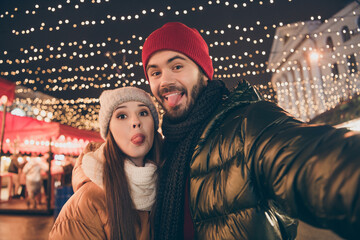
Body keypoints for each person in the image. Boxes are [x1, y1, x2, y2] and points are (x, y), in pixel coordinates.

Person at [141, 22, 360, 240]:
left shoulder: (249, 123)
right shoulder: (162, 153)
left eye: (177, 66)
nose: (165, 81)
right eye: (155, 72)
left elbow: (311, 162)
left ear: (203, 72)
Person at [49, 87, 162, 240]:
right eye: (122, 116)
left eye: (143, 113)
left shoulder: (168, 183)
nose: (136, 122)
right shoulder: (86, 203)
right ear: (109, 131)